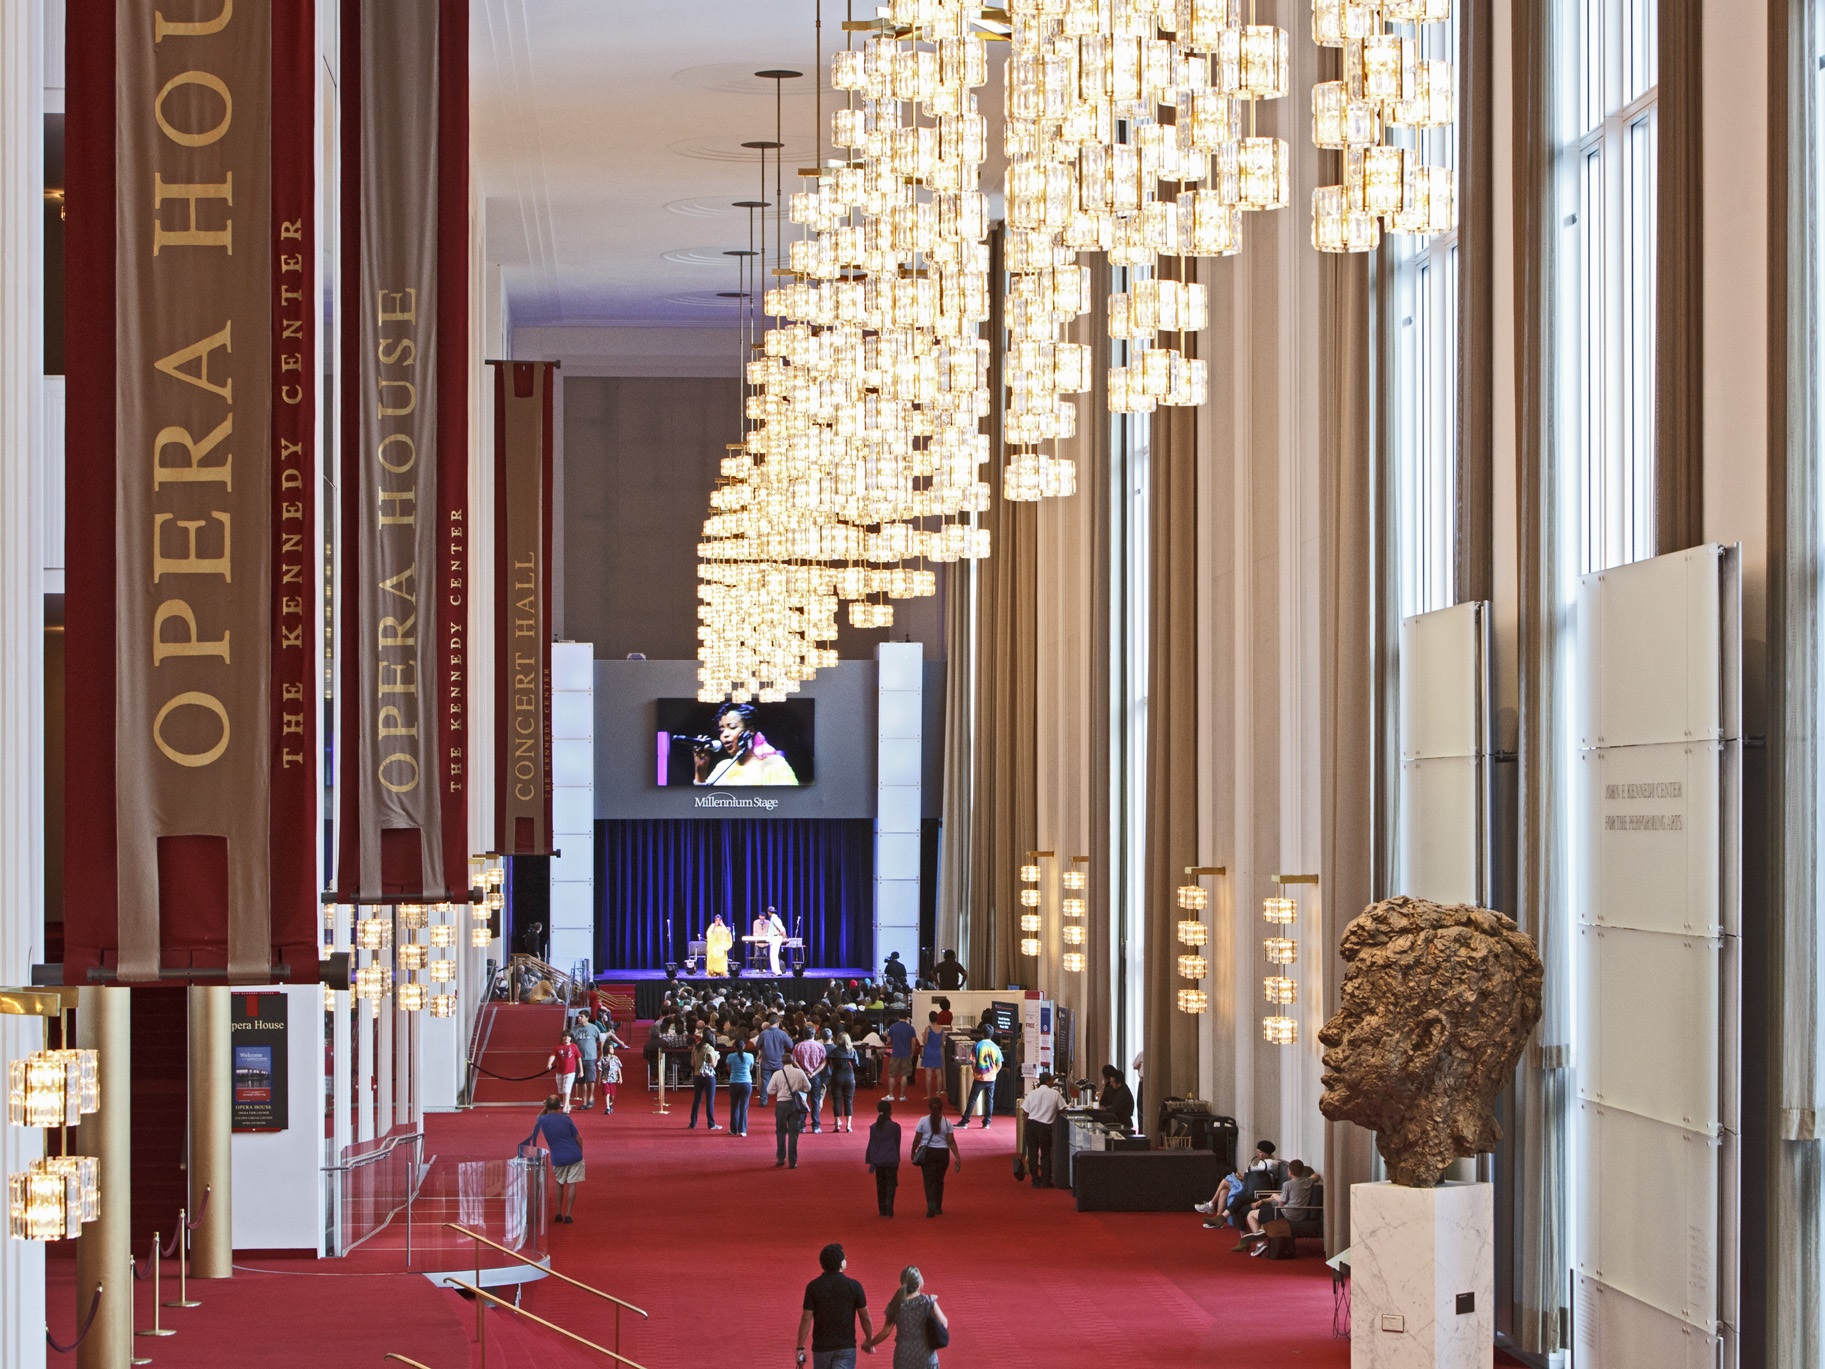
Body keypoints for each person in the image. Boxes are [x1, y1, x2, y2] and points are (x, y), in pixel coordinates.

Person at [795, 1242, 875, 1369]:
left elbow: (806, 1318)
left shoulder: (813, 1287)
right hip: (846, 1347)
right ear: (841, 1263)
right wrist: (869, 1340)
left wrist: (800, 1347)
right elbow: (865, 1317)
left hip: (821, 1348)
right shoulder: (854, 1286)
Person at [693, 701, 799, 787]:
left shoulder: (773, 764)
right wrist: (700, 772)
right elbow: (705, 804)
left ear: (750, 731)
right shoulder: (723, 766)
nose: (725, 734)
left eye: (732, 727)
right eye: (721, 730)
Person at [865, 1265, 948, 1368]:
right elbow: (944, 1323)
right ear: (918, 1284)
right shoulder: (928, 1301)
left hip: (903, 1358)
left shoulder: (895, 1305)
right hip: (926, 1357)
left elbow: (885, 1332)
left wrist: (869, 1344)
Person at [521, 1094, 584, 1224]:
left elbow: (538, 1117)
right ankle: (568, 1214)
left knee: (559, 1183)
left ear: (547, 1106)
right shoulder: (566, 1119)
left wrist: (545, 1106)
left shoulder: (543, 1121)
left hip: (558, 1157)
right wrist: (580, 1152)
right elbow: (578, 1137)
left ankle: (558, 1212)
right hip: (574, 1154)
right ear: (559, 1106)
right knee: (572, 1184)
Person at [1239, 1159, 1320, 1253]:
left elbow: (1281, 1203)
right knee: (1263, 1212)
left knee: (1251, 1215)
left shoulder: (1287, 1184)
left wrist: (1274, 1196)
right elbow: (1316, 1176)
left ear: (1290, 1172)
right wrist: (1311, 1177)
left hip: (1287, 1213)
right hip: (1301, 1214)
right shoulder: (1308, 1181)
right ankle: (1261, 1232)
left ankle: (1260, 1243)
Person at [1211, 1140, 1287, 1230]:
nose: (1258, 1154)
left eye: (1260, 1152)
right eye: (1257, 1151)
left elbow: (1258, 1173)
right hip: (1252, 1186)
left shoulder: (1270, 1163)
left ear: (1267, 1153)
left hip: (1259, 1191)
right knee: (1224, 1191)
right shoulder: (1263, 1162)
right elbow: (1255, 1177)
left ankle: (1211, 1204)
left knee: (1226, 1180)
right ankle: (1218, 1218)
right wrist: (1242, 1178)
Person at [910, 1095, 962, 1217]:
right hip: (943, 1154)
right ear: (941, 1109)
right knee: (939, 1180)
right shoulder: (947, 1123)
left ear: (929, 1108)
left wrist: (913, 1151)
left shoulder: (923, 1121)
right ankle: (938, 1206)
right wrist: (958, 1157)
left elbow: (917, 1139)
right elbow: (951, 1141)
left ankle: (931, 1203)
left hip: (928, 1153)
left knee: (928, 1180)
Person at [1020, 1071, 1066, 1187]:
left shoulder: (1032, 1094)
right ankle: (1046, 1180)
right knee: (1045, 1154)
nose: (1053, 1081)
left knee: (1033, 1153)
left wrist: (1025, 1128)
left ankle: (1035, 1180)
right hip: (1045, 1127)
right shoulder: (1055, 1094)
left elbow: (1025, 1112)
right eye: (1051, 1079)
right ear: (1047, 1081)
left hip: (1031, 1125)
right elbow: (1063, 1109)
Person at [769, 1054, 813, 1168]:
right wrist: (799, 1088)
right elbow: (808, 1087)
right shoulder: (799, 1072)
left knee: (780, 1132)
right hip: (795, 1105)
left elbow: (770, 1090)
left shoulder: (777, 1074)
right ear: (793, 1061)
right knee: (793, 1133)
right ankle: (793, 1161)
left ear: (782, 1062)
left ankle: (780, 1158)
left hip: (781, 1104)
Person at [864, 1097, 902, 1216]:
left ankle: (882, 1210)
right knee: (892, 1183)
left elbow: (872, 1145)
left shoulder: (874, 1127)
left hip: (879, 1160)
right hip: (892, 1159)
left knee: (880, 1185)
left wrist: (871, 1161)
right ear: (890, 1112)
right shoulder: (895, 1127)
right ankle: (889, 1202)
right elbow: (897, 1143)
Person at [962, 1027, 1002, 1128]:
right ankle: (987, 1122)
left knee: (972, 1099)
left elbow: (973, 1061)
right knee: (989, 1099)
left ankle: (965, 1121)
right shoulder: (995, 1047)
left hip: (979, 1076)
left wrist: (974, 1072)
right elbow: (999, 1064)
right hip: (991, 1078)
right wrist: (994, 1073)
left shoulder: (977, 1045)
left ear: (982, 1034)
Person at [794, 1027, 830, 1134]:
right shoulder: (820, 1046)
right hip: (815, 1076)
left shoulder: (798, 1046)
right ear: (814, 1034)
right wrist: (814, 1072)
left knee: (801, 1101)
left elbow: (794, 1060)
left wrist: (803, 1070)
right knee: (815, 1100)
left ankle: (802, 1126)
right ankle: (815, 1126)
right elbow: (824, 1062)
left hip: (802, 1076)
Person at [827, 1031, 860, 1132]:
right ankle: (848, 1125)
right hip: (849, 1077)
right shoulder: (852, 1051)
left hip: (836, 1076)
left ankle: (837, 1124)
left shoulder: (834, 1051)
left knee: (837, 1101)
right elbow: (857, 1064)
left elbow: (828, 1063)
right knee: (848, 1101)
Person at [571, 1011, 605, 1111]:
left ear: (587, 1018)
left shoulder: (593, 1028)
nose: (579, 1018)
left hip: (590, 1057)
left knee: (590, 1079)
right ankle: (584, 1101)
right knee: (581, 1081)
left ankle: (591, 1096)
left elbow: (600, 1040)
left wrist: (601, 1053)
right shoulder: (575, 1029)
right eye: (578, 1017)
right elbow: (572, 1042)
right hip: (579, 1059)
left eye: (581, 1016)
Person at [688, 1030, 721, 1130]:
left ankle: (692, 1123)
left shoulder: (696, 1047)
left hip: (697, 1075)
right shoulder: (709, 1048)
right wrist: (717, 1057)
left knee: (697, 1100)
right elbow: (713, 1064)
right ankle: (711, 1124)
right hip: (708, 1076)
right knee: (709, 1101)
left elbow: (692, 1064)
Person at [725, 1032, 756, 1137]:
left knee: (734, 1107)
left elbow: (729, 1069)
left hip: (734, 1082)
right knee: (744, 1106)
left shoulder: (730, 1056)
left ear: (734, 1046)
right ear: (744, 1046)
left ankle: (733, 1129)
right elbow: (751, 1068)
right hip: (746, 1082)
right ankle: (742, 1130)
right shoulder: (750, 1056)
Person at [883, 1011, 918, 1102]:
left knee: (892, 1075)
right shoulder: (910, 1028)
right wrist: (912, 1053)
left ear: (898, 1016)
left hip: (895, 1053)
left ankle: (891, 1095)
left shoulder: (893, 1027)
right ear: (907, 1017)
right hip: (906, 1053)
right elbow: (914, 1042)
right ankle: (902, 1095)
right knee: (904, 1075)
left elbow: (889, 1040)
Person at [546, 1030, 582, 1112]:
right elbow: (552, 1056)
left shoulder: (574, 1047)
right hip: (560, 1071)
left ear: (571, 1038)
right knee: (561, 1090)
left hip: (570, 1071)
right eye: (565, 1036)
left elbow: (579, 1058)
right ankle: (567, 1104)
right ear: (562, 1037)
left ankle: (565, 1107)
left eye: (568, 1036)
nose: (566, 1038)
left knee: (567, 1089)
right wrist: (549, 1064)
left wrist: (581, 1070)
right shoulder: (557, 1047)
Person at [758, 1012, 795, 1085]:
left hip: (766, 1063)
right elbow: (791, 1045)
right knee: (781, 1084)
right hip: (779, 1063)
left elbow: (757, 1046)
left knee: (765, 1083)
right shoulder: (782, 1034)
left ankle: (764, 1097)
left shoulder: (763, 1034)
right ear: (778, 1023)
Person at [1096, 1064, 1135, 1130]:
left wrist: (1105, 1109)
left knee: (1097, 1117)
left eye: (1112, 1083)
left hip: (1121, 1120)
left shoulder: (1123, 1093)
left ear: (1119, 1083)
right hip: (1118, 1117)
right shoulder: (1120, 1090)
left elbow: (1115, 1108)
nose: (1111, 1085)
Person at [917, 1012, 946, 1100]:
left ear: (929, 1019)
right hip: (937, 1052)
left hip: (929, 1052)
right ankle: (938, 1094)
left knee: (928, 1075)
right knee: (939, 1074)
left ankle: (929, 1095)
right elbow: (942, 1043)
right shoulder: (941, 1029)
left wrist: (923, 1036)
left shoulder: (928, 1029)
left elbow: (924, 1042)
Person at [763, 905, 789, 974]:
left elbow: (782, 929)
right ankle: (775, 970)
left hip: (776, 938)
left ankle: (777, 971)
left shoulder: (774, 919)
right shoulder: (774, 918)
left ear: (769, 912)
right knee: (773, 954)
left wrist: (785, 937)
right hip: (774, 937)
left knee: (774, 955)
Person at [600, 1046, 623, 1114]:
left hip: (613, 1078)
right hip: (605, 1078)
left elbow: (619, 1068)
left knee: (612, 1094)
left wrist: (620, 1077)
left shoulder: (615, 1058)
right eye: (611, 1048)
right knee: (607, 1093)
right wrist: (599, 1079)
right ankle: (607, 1108)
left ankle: (610, 1104)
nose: (612, 1050)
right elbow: (600, 1069)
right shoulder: (603, 1059)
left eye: (613, 1048)